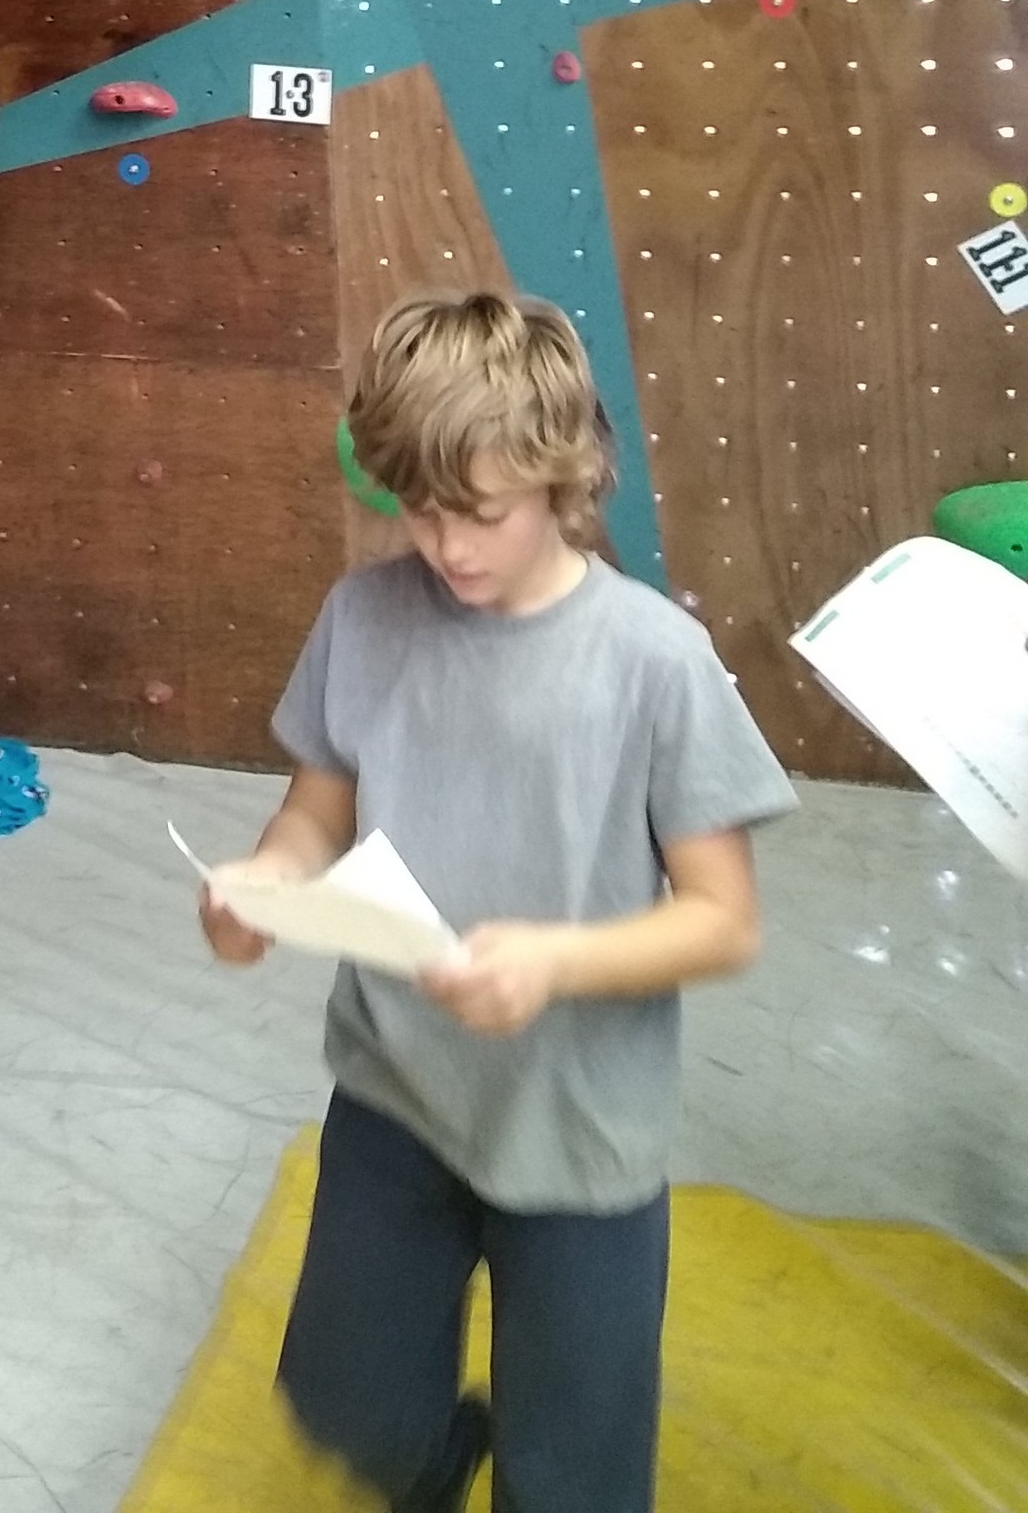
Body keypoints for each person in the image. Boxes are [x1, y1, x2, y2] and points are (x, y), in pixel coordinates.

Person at [199, 291, 795, 1513]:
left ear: (565, 477)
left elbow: (723, 917)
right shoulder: (364, 617)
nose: (450, 546)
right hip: (395, 1090)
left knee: (573, 1475)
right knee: (345, 1402)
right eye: (421, 509)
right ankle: (439, 1460)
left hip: (578, 1125)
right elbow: (316, 811)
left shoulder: (653, 660)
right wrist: (266, 883)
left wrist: (552, 962)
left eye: (484, 512)